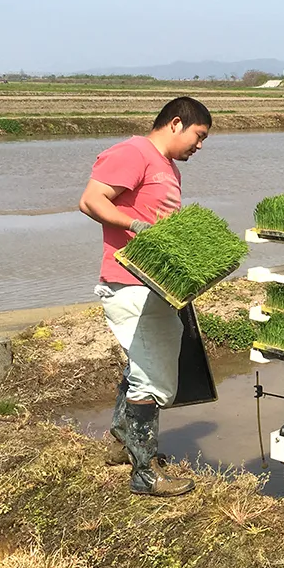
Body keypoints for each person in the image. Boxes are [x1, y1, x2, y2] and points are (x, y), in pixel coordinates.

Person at [78, 96, 212, 497]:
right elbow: (90, 201)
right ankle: (144, 472)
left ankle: (122, 442)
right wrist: (138, 225)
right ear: (176, 123)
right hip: (129, 282)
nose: (199, 146)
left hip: (156, 287)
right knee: (152, 378)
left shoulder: (166, 167)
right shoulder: (133, 153)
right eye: (198, 136)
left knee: (144, 364)